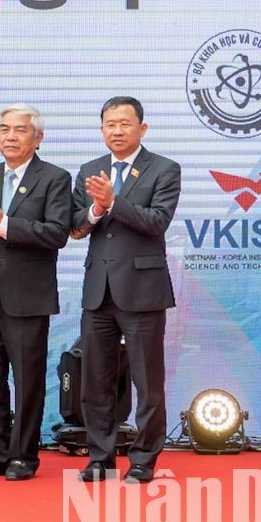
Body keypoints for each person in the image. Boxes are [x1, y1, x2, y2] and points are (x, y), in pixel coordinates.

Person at [70, 96, 180, 484]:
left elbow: (156, 222)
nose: (116, 131)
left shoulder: (164, 170)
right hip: (98, 292)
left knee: (147, 383)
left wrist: (113, 202)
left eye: (124, 123)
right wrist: (95, 210)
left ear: (142, 128)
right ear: (101, 130)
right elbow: (75, 227)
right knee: (95, 381)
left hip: (142, 291)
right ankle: (99, 458)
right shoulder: (89, 170)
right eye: (109, 124)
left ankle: (143, 461)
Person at [0, 104, 72, 482]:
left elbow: (57, 233)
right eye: (3, 129)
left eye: (19, 130)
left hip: (27, 297)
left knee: (26, 380)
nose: (9, 136)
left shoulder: (55, 178)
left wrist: (4, 224)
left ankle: (23, 456)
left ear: (37, 138)